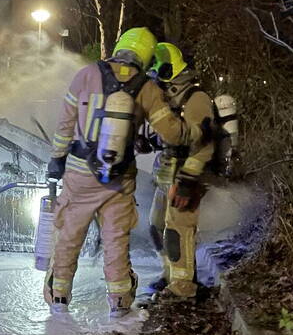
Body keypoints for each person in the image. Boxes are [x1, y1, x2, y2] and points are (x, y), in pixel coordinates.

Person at [44, 28, 209, 318]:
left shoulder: (85, 75)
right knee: (116, 239)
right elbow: (171, 134)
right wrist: (195, 132)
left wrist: (56, 160)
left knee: (69, 235)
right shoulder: (146, 86)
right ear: (146, 56)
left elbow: (65, 125)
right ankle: (119, 300)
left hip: (80, 174)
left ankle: (58, 297)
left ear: (121, 45)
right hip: (120, 180)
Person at [145, 43, 231, 301]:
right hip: (167, 172)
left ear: (167, 68)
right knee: (156, 226)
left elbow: (203, 145)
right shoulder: (170, 97)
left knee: (177, 229)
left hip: (186, 176)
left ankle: (183, 287)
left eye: (156, 70)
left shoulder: (196, 98)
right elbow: (174, 135)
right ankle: (170, 274)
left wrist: (187, 182)